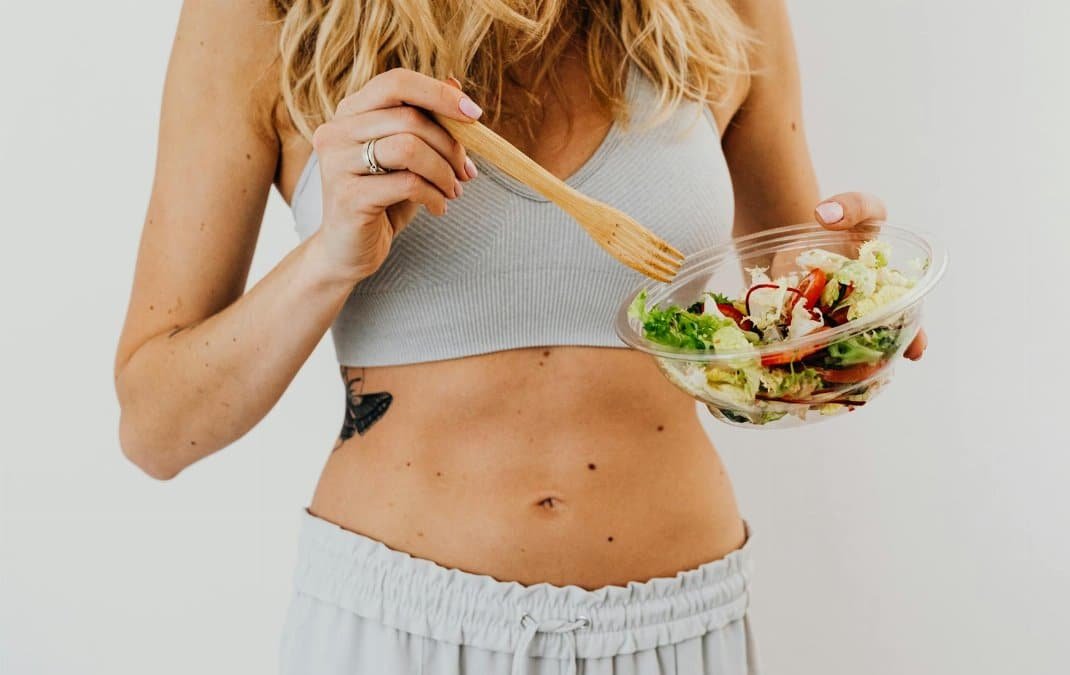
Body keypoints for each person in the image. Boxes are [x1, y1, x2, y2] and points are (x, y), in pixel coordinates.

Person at [115, 1, 926, 672]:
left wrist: (846, 311)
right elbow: (157, 428)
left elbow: (783, 310)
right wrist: (327, 259)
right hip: (396, 629)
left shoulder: (724, 9)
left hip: (680, 624)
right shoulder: (263, 15)